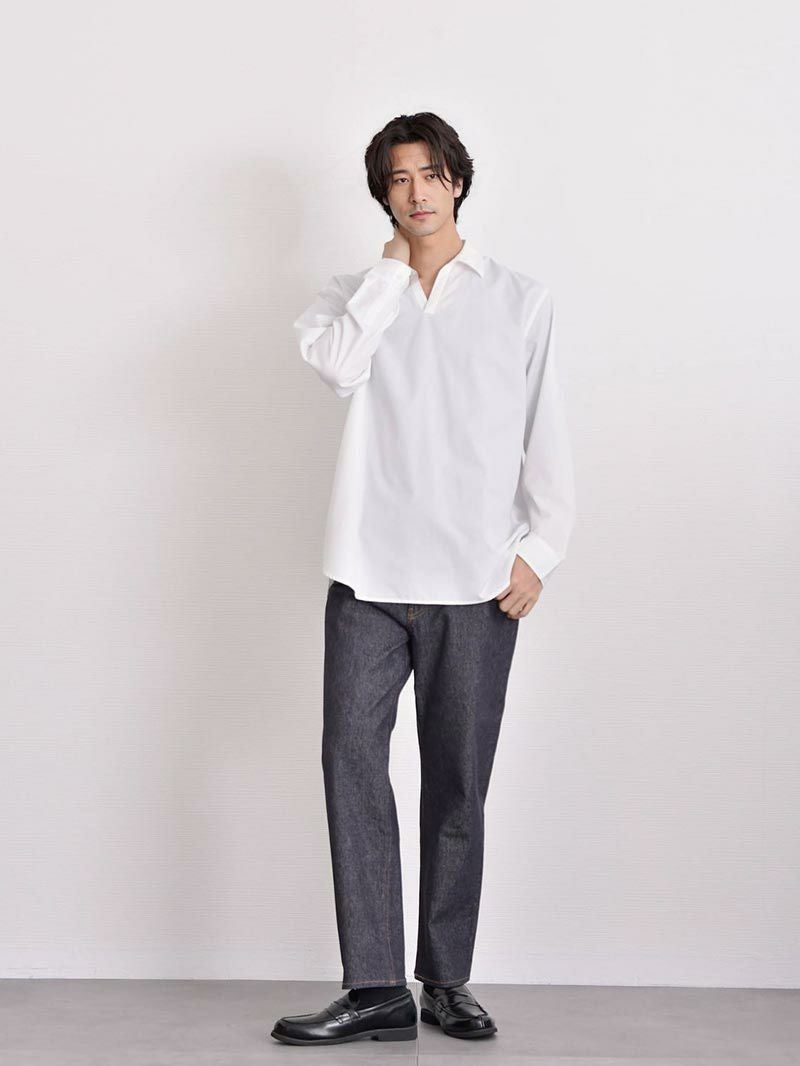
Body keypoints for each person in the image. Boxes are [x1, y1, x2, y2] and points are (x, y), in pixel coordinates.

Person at [270, 111, 576, 1046]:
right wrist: (391, 274)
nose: (419, 192)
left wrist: (540, 549)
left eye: (433, 174)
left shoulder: (519, 299)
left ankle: (445, 979)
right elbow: (336, 368)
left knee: (457, 783)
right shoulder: (352, 297)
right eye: (400, 178)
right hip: (367, 574)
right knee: (351, 763)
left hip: (478, 580)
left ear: (458, 181)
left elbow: (545, 429)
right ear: (383, 194)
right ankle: (375, 988)